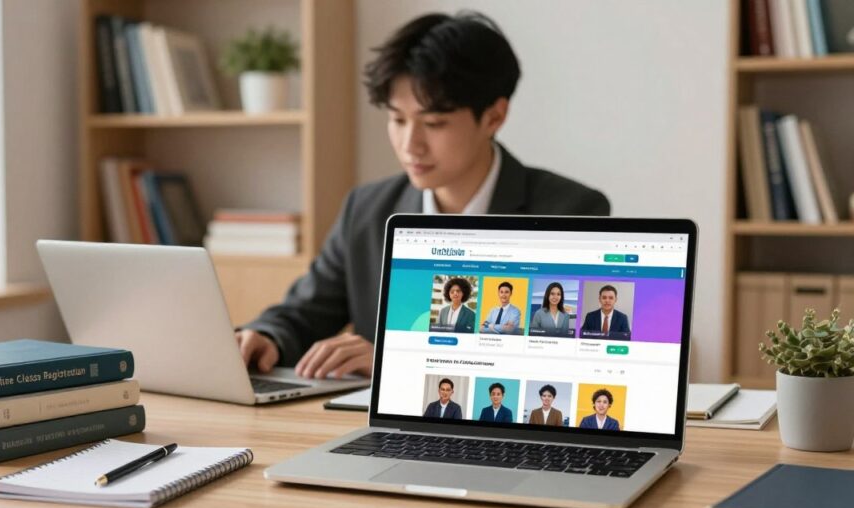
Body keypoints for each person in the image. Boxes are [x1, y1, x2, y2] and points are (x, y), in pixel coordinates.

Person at [236, 12, 610, 380]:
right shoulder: (366, 209)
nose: (409, 145)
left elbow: (563, 357)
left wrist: (396, 359)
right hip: (381, 436)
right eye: (397, 119)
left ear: (494, 117)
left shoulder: (570, 210)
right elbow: (304, 312)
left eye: (433, 123)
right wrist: (268, 335)